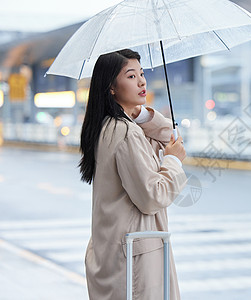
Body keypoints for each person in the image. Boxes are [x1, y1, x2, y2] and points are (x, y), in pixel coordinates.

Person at [79, 49, 187, 300]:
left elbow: (162, 134)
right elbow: (151, 196)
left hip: (117, 253)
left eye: (141, 74)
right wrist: (172, 161)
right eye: (130, 76)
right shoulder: (126, 133)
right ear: (111, 87)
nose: (141, 81)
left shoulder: (107, 126)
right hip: (136, 260)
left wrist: (141, 113)